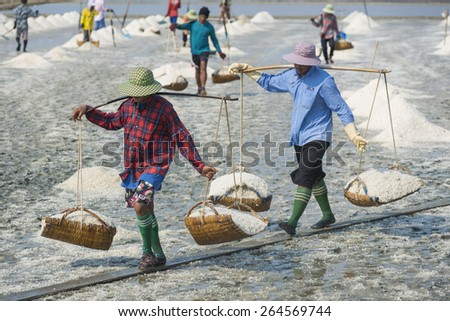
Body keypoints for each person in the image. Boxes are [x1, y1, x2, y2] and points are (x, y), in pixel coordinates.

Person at [71, 67, 217, 269]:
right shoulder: (127, 106)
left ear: (150, 90)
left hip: (156, 164)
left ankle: (147, 253)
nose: (135, 95)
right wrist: (88, 110)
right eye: (133, 91)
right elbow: (112, 121)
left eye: (139, 92)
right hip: (133, 166)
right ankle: (158, 253)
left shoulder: (164, 108)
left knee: (139, 204)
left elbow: (181, 136)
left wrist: (200, 166)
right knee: (146, 209)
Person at [229, 41, 367, 235]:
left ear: (312, 62)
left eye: (302, 63)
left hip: (318, 136)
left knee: (305, 177)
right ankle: (328, 214)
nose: (297, 66)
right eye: (296, 62)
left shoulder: (324, 81)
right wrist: (249, 71)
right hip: (299, 137)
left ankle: (292, 222)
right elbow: (270, 82)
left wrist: (353, 133)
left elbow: (341, 108)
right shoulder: (291, 76)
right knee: (314, 176)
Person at [170, 7, 226, 96]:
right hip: (194, 51)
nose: (202, 18)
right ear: (199, 16)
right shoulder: (193, 24)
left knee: (203, 67)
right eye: (201, 16)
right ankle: (199, 88)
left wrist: (220, 52)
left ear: (207, 18)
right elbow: (181, 26)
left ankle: (203, 88)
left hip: (204, 50)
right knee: (197, 70)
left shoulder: (209, 27)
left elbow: (214, 40)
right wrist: (174, 25)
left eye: (204, 17)